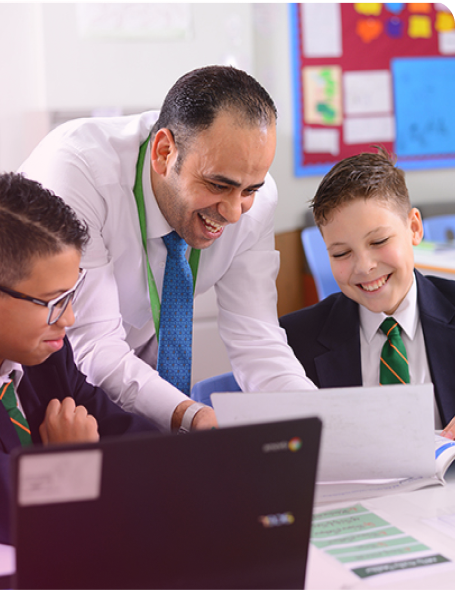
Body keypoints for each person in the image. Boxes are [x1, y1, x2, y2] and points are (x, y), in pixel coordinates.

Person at [19, 65, 316, 433]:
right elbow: (93, 346)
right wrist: (194, 417)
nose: (234, 212)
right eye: (218, 185)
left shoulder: (253, 198)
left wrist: (316, 417)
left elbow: (257, 338)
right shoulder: (78, 172)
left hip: (141, 386)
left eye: (250, 190)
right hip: (48, 391)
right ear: (163, 153)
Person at [0, 172, 157, 545]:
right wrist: (71, 459)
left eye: (73, 294)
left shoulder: (45, 350)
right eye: (53, 301)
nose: (69, 319)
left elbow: (136, 444)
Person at [279, 148, 455, 438]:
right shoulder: (295, 340)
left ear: (414, 228)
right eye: (341, 253)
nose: (364, 267)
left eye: (379, 241)